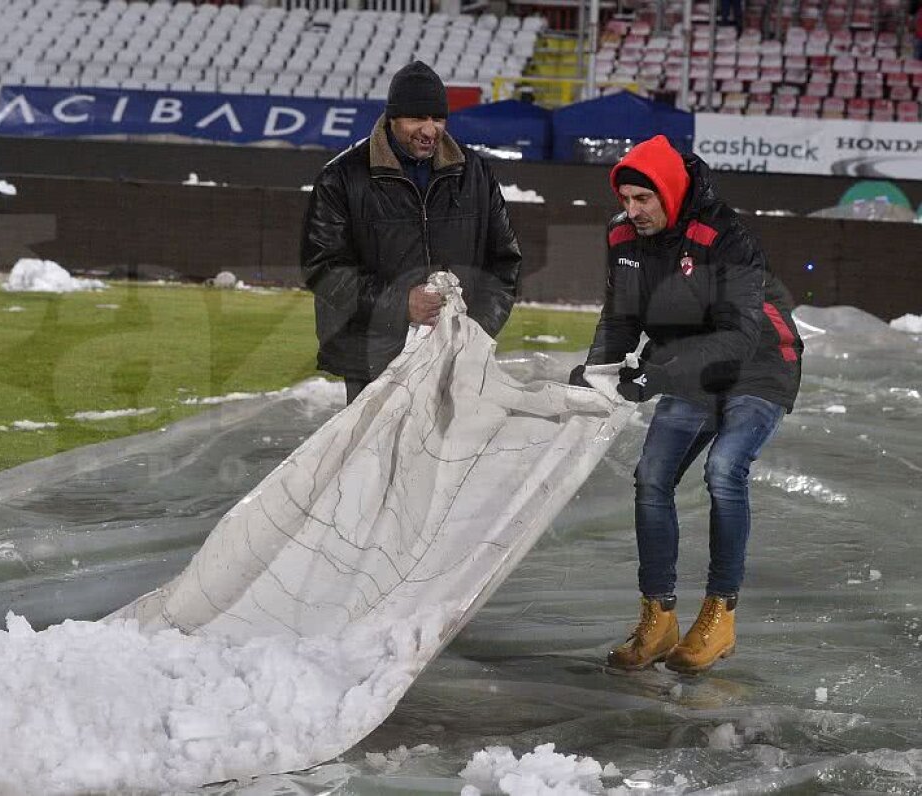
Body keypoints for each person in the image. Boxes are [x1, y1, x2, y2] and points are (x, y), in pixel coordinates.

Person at [570, 134, 803, 674]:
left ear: (669, 193)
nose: (632, 211)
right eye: (625, 199)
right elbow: (621, 316)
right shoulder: (622, 236)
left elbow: (738, 337)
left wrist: (651, 376)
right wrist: (599, 371)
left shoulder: (726, 236)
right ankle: (659, 616)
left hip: (758, 361)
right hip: (686, 361)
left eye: (642, 199)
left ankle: (719, 614)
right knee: (651, 476)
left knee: (725, 469)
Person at [301, 61, 525, 404]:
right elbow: (323, 267)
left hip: (455, 357)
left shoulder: (475, 173)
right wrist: (400, 304)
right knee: (372, 456)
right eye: (416, 118)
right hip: (372, 358)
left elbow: (505, 262)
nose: (429, 129)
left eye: (437, 118)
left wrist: (476, 331)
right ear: (392, 118)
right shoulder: (342, 177)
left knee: (445, 457)